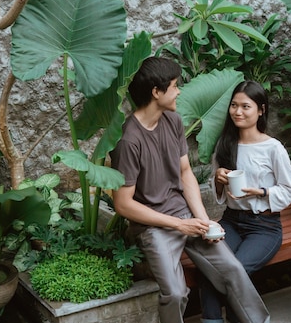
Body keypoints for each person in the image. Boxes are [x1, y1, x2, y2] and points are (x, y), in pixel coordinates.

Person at [110, 57, 270, 323]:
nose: (179, 91)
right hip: (153, 225)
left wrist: (204, 221)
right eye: (174, 86)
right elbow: (124, 204)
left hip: (185, 215)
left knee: (232, 269)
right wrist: (179, 225)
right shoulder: (128, 140)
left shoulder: (172, 120)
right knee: (175, 293)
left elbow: (185, 173)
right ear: (156, 92)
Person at [200, 80, 291, 323]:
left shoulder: (273, 148)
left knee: (236, 271)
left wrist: (261, 192)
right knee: (209, 267)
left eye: (246, 106)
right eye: (234, 105)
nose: (238, 112)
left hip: (264, 227)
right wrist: (219, 179)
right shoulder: (225, 145)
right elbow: (219, 194)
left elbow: (289, 190)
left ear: (261, 110)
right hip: (232, 221)